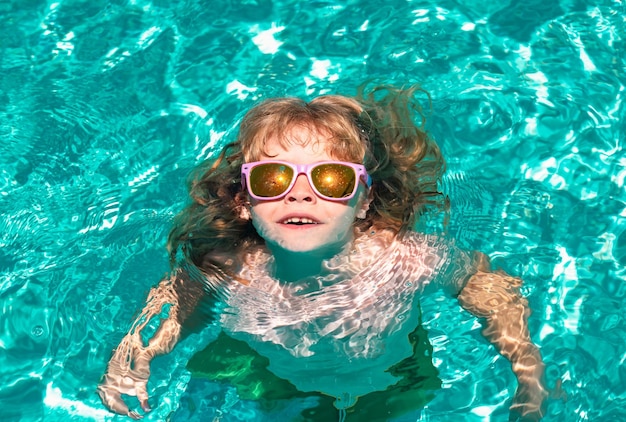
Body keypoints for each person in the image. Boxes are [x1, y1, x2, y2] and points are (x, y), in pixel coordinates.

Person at [98, 85, 549, 421]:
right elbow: (175, 308)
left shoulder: (407, 260)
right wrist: (137, 355)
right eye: (273, 179)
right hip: (269, 379)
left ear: (365, 201)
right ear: (243, 200)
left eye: (331, 180)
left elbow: (486, 286)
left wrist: (529, 375)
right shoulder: (230, 267)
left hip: (395, 380)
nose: (300, 195)